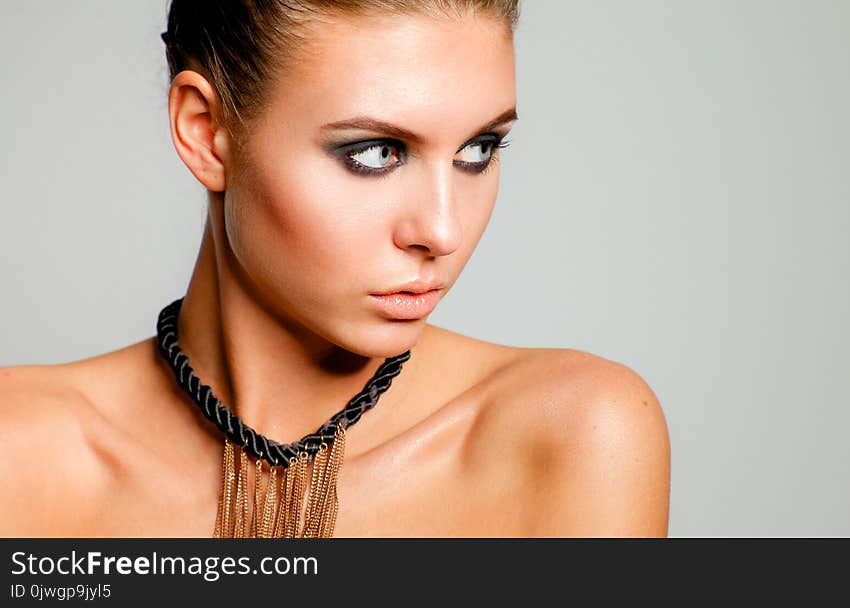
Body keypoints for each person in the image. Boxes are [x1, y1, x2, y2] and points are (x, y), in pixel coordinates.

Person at [0, 0, 670, 537]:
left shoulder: (570, 436)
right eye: (375, 153)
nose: (441, 229)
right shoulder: (20, 452)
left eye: (478, 149)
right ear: (205, 132)